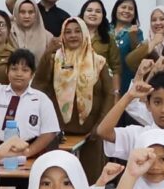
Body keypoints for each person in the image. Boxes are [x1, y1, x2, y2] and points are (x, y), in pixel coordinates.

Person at [46, 16, 114, 179]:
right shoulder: (54, 59)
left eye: (77, 31)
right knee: (61, 179)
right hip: (59, 135)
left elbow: (109, 95)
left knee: (91, 181)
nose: (73, 35)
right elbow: (40, 88)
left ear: (85, 34)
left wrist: (100, 125)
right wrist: (47, 52)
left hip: (91, 134)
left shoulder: (99, 62)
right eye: (68, 32)